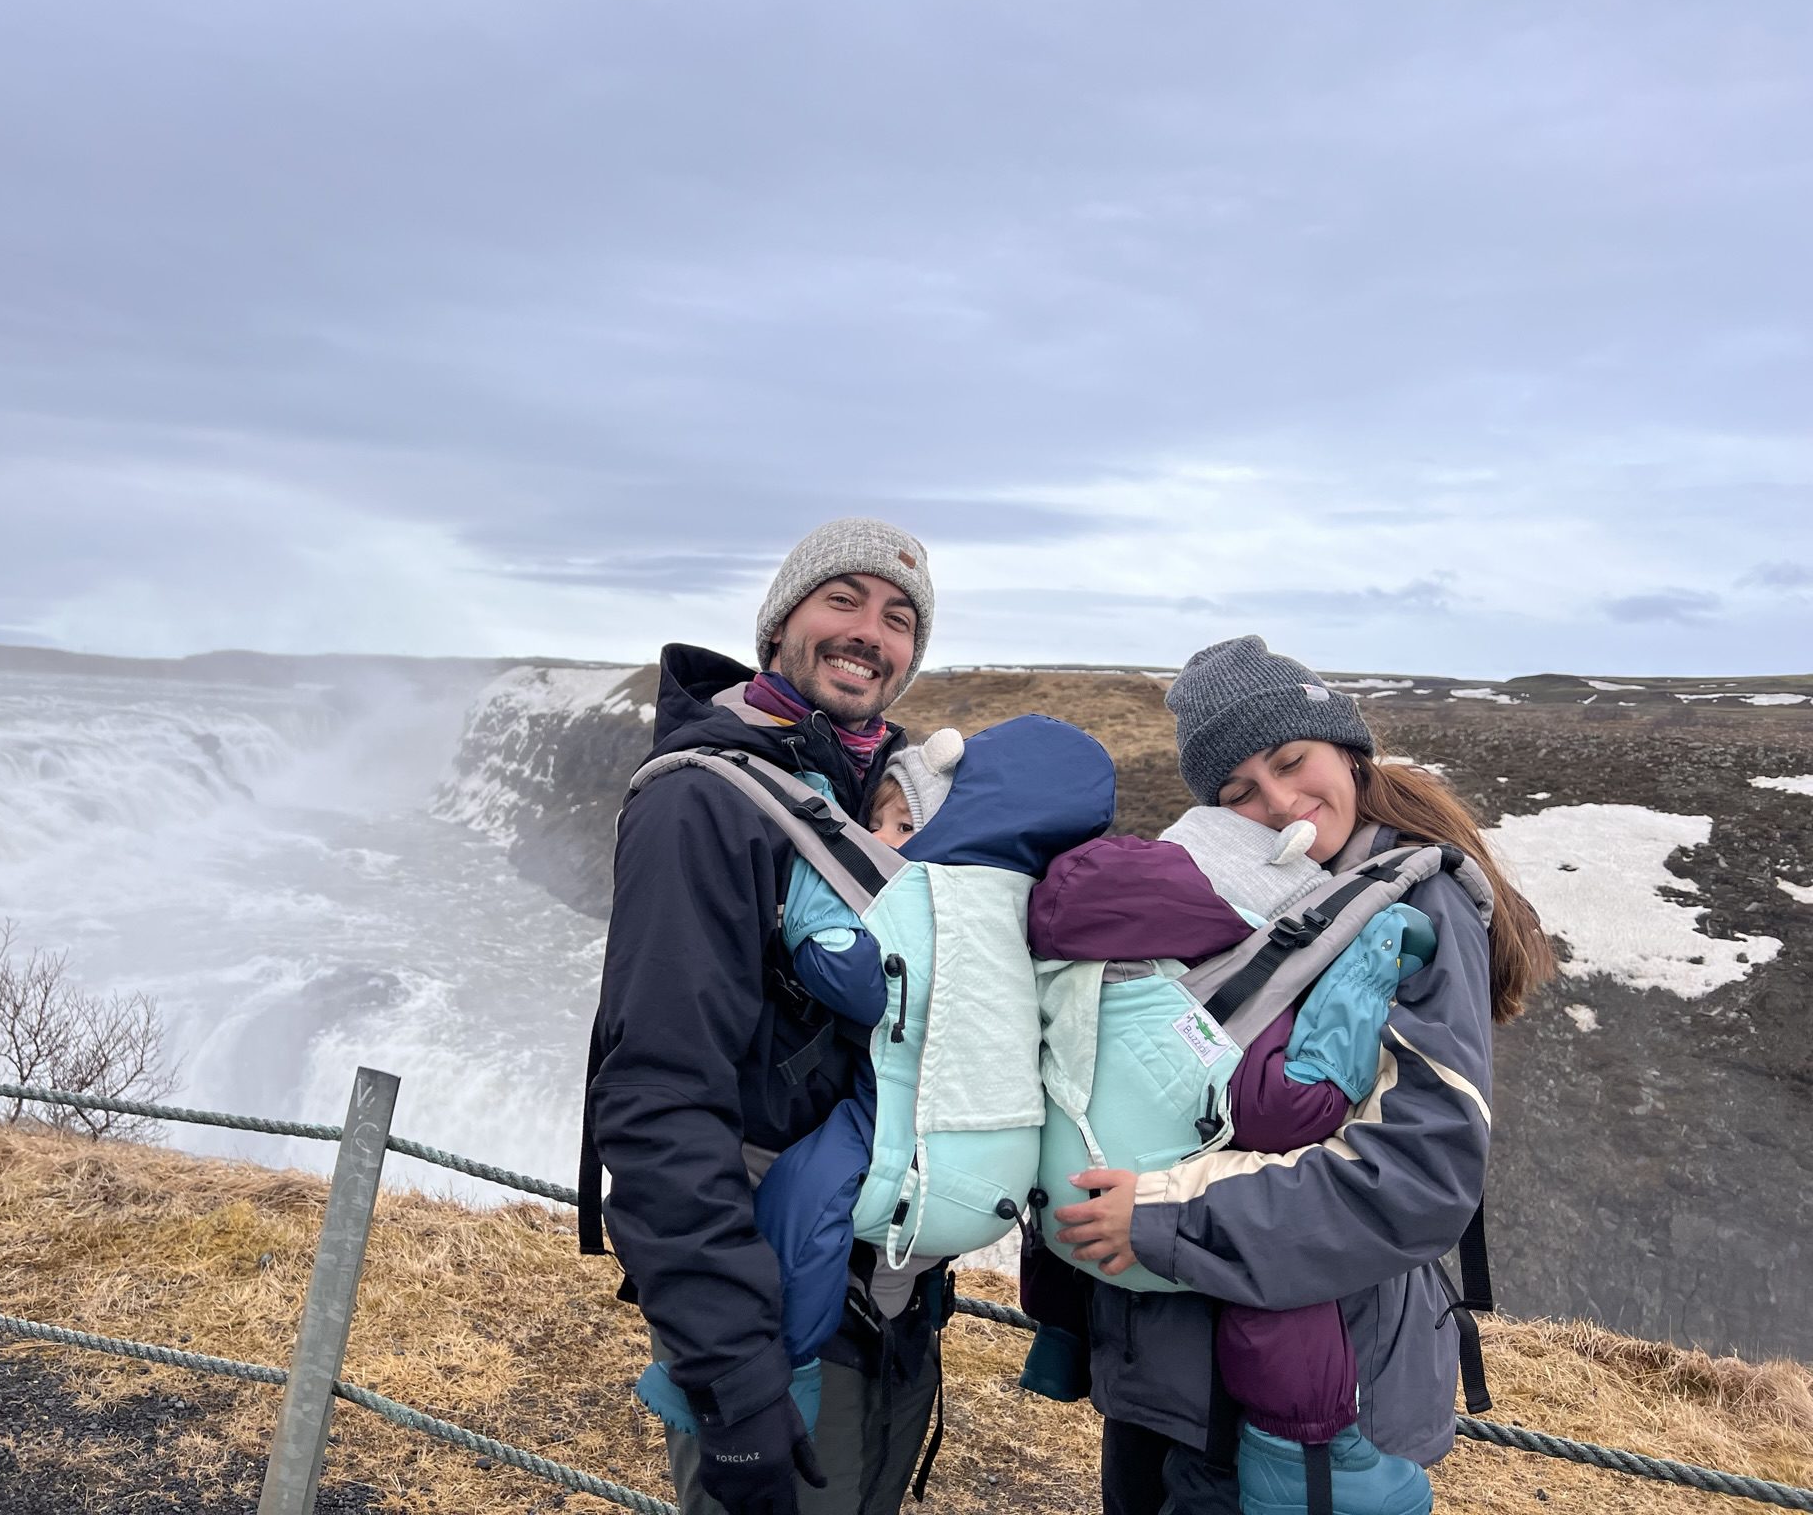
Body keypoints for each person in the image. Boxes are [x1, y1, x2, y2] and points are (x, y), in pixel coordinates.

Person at [1050, 635, 1555, 1515]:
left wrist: (1166, 1218)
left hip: (1308, 1398)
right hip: (1170, 1372)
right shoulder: (1252, 888)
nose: (1281, 801)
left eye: (1293, 761)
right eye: (1239, 791)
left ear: (1347, 748)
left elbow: (1418, 1176)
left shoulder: (1415, 907)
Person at [578, 517, 946, 1515]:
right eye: (842, 599)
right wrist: (735, 1377)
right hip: (770, 1320)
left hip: (888, 1309)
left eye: (898, 617)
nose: (869, 630)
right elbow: (656, 1098)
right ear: (780, 621)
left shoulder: (897, 810)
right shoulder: (705, 802)